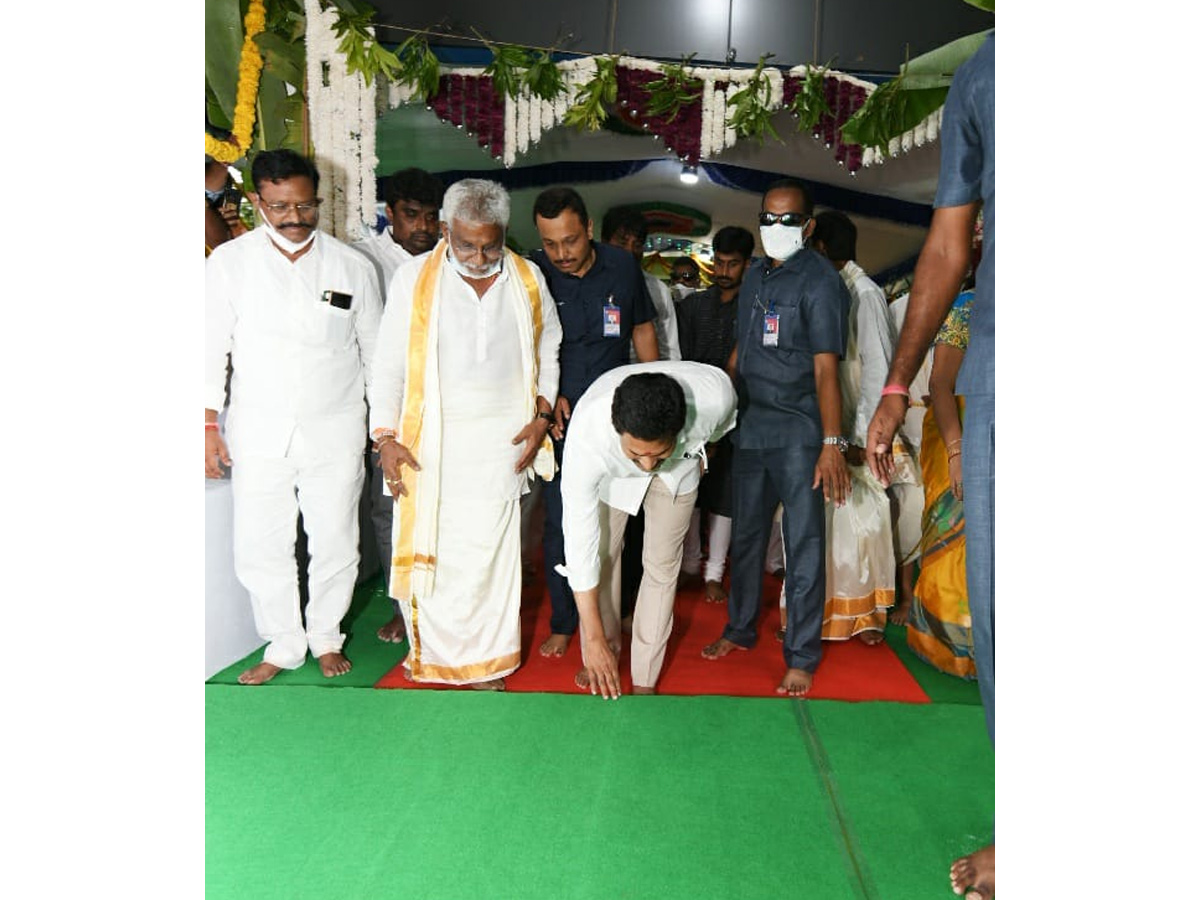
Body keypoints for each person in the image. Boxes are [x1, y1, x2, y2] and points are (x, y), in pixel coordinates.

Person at [864, 32, 994, 900]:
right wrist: (898, 387)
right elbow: (945, 248)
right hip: (1009, 380)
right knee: (1008, 612)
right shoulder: (988, 74)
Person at [369, 178, 562, 690]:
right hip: (432, 445)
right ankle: (435, 657)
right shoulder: (415, 279)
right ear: (445, 230)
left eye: (490, 244)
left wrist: (542, 417)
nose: (478, 256)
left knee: (494, 558)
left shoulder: (527, 278)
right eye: (466, 244)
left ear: (504, 234)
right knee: (441, 554)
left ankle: (488, 663)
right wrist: (385, 437)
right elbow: (387, 365)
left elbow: (550, 353)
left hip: (503, 447)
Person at [205, 148, 382, 685]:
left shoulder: (353, 266)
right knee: (262, 543)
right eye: (280, 207)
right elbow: (209, 348)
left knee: (335, 540)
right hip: (259, 430)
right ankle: (282, 644)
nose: (294, 218)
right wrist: (206, 424)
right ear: (258, 202)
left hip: (337, 427)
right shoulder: (229, 265)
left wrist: (385, 429)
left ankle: (326, 636)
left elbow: (377, 353)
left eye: (304, 206)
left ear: (318, 201)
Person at [701, 177, 851, 697]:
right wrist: (716, 417)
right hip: (752, 427)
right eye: (768, 218)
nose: (776, 228)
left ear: (807, 227)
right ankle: (740, 629)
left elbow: (827, 369)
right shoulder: (758, 276)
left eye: (788, 220)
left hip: (801, 431)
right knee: (746, 536)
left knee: (803, 543)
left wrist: (833, 445)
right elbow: (742, 351)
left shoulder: (821, 282)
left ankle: (802, 656)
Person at [529, 186, 659, 658]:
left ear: (588, 228)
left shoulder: (622, 267)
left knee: (625, 518)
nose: (560, 254)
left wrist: (652, 396)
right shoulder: (532, 272)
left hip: (619, 416)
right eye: (550, 244)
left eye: (570, 240)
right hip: (562, 423)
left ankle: (620, 614)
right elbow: (523, 348)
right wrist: (542, 399)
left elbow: (642, 329)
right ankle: (567, 622)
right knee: (563, 522)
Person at [560, 364, 737, 698]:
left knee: (661, 567)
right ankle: (602, 651)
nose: (647, 465)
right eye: (636, 454)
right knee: (603, 555)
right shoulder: (588, 436)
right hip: (612, 477)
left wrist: (700, 451)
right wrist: (594, 638)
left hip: (680, 472)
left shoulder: (715, 397)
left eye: (658, 453)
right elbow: (579, 545)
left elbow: (719, 430)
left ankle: (645, 677)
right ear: (618, 432)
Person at [809, 209, 912, 645]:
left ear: (820, 248)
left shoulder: (865, 293)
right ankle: (826, 611)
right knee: (833, 521)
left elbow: (878, 370)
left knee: (864, 522)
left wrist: (862, 438)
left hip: (860, 427)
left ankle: (866, 616)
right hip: (834, 417)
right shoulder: (833, 287)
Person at [352, 167, 445, 645]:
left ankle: (440, 606)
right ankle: (399, 609)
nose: (423, 228)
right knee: (391, 517)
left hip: (443, 411)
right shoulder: (362, 262)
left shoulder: (448, 261)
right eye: (411, 216)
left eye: (431, 217)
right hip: (388, 416)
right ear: (390, 215)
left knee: (443, 513)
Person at [675, 225, 754, 603]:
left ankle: (713, 574)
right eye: (719, 262)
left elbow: (745, 369)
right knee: (688, 488)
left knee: (725, 495)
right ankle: (690, 565)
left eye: (733, 264)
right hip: (693, 414)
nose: (724, 271)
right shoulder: (692, 306)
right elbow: (682, 361)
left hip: (739, 413)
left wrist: (725, 422)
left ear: (747, 264)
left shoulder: (754, 309)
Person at [908, 287, 975, 678]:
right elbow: (940, 384)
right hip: (959, 431)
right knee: (953, 541)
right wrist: (957, 451)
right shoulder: (970, 306)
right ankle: (950, 646)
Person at [601, 205, 681, 361]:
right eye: (622, 242)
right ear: (604, 242)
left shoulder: (657, 289)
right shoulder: (589, 283)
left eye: (637, 245)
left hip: (644, 378)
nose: (630, 251)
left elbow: (670, 350)